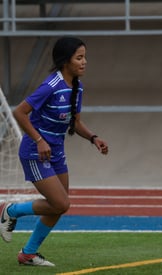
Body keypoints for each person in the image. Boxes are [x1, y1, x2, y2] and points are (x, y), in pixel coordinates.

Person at [0, 36, 109, 267]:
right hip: (34, 152)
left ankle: (28, 253)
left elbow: (75, 122)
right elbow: (20, 112)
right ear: (65, 61)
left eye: (85, 57)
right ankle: (11, 210)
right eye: (79, 57)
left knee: (59, 205)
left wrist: (93, 137)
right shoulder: (50, 85)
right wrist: (39, 140)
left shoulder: (77, 88)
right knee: (61, 203)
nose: (84, 62)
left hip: (56, 152)